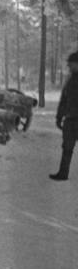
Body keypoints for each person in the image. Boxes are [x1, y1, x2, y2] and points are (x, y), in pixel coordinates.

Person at [49, 50, 78, 181]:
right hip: (70, 121)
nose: (69, 67)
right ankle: (63, 173)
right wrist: (59, 117)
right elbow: (63, 100)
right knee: (66, 148)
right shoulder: (70, 80)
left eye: (71, 64)